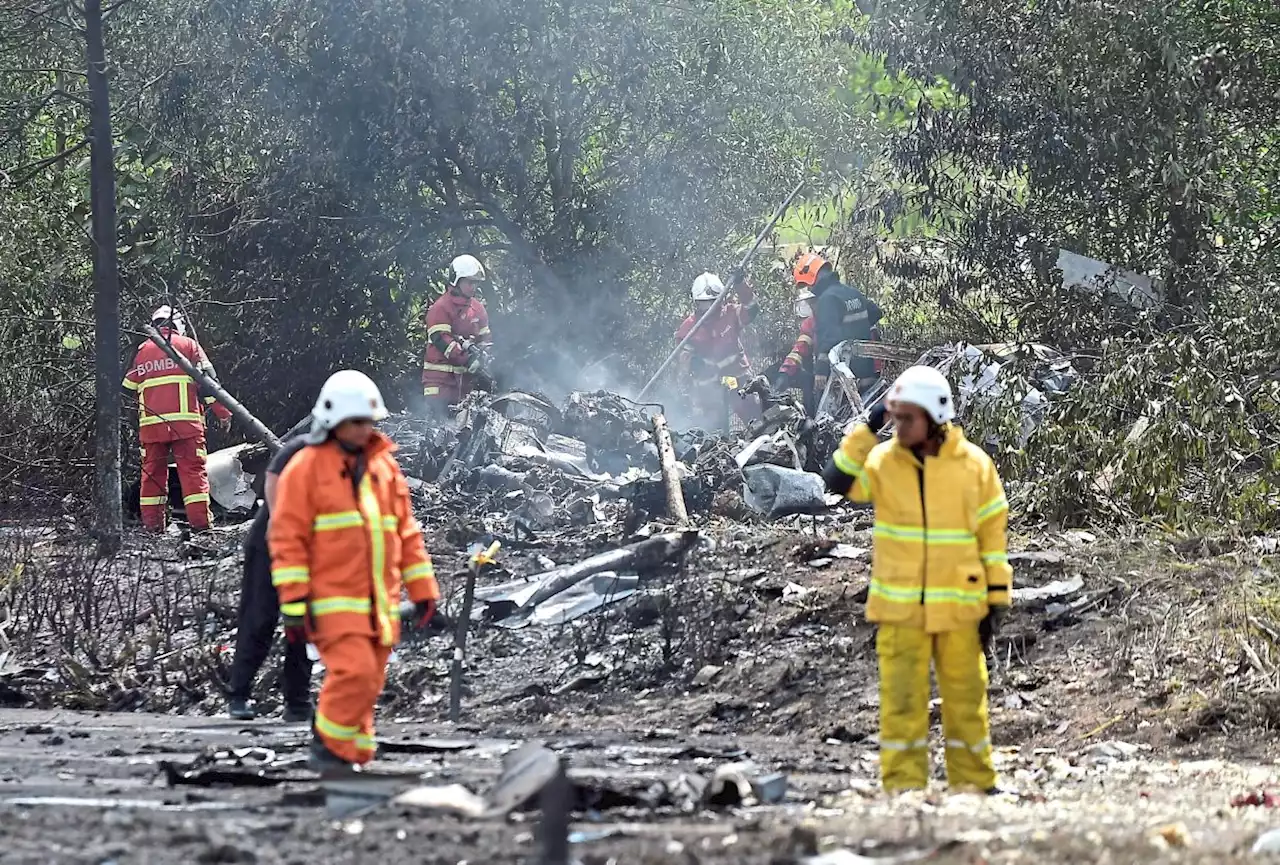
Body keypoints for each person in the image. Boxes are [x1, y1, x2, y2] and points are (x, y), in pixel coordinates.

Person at [821, 366, 1012, 793]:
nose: (899, 426)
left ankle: (975, 785)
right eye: (895, 416)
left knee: (966, 702)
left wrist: (996, 601)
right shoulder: (884, 462)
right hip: (900, 611)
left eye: (907, 418)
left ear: (935, 417)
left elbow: (992, 540)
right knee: (902, 705)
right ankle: (904, 790)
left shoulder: (974, 466)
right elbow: (836, 479)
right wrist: (871, 424)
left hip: (961, 609)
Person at [269, 370, 440, 772]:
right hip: (331, 602)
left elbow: (407, 535)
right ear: (332, 419)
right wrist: (293, 603)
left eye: (369, 421)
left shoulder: (385, 470)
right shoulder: (306, 469)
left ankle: (353, 755)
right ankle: (327, 744)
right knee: (356, 673)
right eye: (356, 422)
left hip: (378, 603)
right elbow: (287, 539)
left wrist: (423, 592)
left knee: (370, 681)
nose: (365, 430)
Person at [226, 430, 313, 722]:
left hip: (310, 551)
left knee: (303, 624)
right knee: (259, 617)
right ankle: (238, 695)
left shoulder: (357, 463)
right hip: (269, 544)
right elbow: (274, 496)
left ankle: (297, 701)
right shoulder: (299, 450)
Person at [123, 306, 232, 532]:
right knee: (192, 475)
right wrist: (223, 413)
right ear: (177, 326)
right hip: (187, 426)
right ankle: (201, 527)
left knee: (152, 477)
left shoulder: (142, 350)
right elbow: (210, 384)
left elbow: (127, 387)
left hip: (151, 427)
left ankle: (153, 528)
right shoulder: (188, 345)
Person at [674, 271, 761, 429]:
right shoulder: (690, 327)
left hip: (737, 376)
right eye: (703, 302)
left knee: (754, 416)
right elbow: (682, 355)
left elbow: (752, 309)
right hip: (709, 383)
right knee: (712, 426)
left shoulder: (731, 314)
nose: (709, 307)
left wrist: (740, 284)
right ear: (696, 302)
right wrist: (693, 363)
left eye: (713, 301)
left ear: (721, 298)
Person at [794, 252, 882, 401]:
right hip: (868, 372)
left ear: (812, 277)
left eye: (807, 285)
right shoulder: (852, 292)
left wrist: (821, 371)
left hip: (846, 380)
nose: (809, 289)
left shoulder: (827, 299)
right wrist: (856, 329)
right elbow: (875, 312)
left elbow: (829, 337)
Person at [422, 254, 494, 416]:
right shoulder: (440, 308)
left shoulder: (478, 309)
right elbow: (442, 339)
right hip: (439, 385)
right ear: (456, 280)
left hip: (464, 387)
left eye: (476, 283)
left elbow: (486, 339)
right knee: (438, 433)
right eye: (470, 282)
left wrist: (485, 356)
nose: (473, 287)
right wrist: (467, 359)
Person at [770, 288, 816, 414]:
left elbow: (800, 348)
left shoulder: (811, 322)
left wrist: (784, 373)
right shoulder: (817, 321)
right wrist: (785, 372)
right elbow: (799, 351)